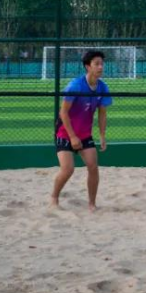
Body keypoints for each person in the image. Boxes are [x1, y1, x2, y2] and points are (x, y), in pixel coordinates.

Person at [51, 50, 112, 211]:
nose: (100, 67)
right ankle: (54, 198)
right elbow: (63, 112)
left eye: (102, 64)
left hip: (85, 134)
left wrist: (102, 135)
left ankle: (92, 203)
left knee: (93, 166)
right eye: (96, 64)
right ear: (87, 66)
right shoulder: (76, 85)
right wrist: (72, 137)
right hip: (65, 132)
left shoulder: (103, 87)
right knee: (68, 170)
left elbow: (102, 113)